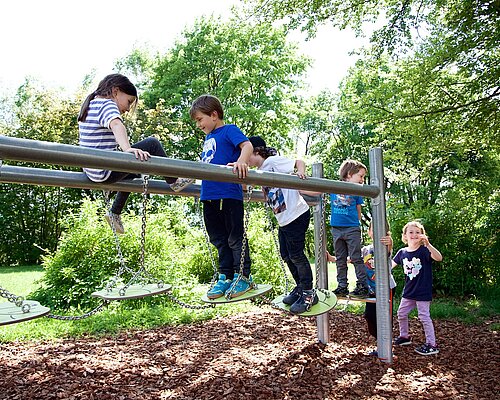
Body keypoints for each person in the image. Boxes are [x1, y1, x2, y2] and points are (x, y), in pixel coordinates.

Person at [78, 74, 193, 234]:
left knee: (135, 170)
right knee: (152, 143)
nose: (127, 108)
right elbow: (117, 124)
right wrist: (127, 150)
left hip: (93, 170)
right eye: (129, 102)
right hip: (104, 170)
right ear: (115, 91)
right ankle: (174, 181)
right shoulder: (107, 104)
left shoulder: (92, 105)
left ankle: (115, 213)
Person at [189, 94, 253, 299]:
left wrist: (242, 161)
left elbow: (248, 146)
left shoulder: (228, 130)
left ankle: (242, 275)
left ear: (214, 115)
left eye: (200, 119)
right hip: (209, 194)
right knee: (218, 238)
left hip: (228, 193)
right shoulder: (208, 138)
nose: (198, 124)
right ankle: (224, 276)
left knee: (235, 237)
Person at [247, 136, 318, 314]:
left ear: (257, 151)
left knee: (296, 254)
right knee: (286, 255)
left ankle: (309, 292)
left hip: (296, 214)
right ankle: (300, 287)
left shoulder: (271, 161)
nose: (246, 159)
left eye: (247, 154)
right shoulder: (261, 170)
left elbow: (298, 161)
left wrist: (301, 173)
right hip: (284, 220)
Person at [392, 220, 443, 355]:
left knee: (424, 317)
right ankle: (404, 337)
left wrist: (428, 244)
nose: (414, 235)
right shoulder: (402, 252)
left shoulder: (424, 250)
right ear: (405, 236)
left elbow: (439, 258)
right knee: (401, 313)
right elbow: (389, 265)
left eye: (417, 232)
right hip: (408, 291)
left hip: (422, 291)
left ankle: (432, 344)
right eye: (411, 232)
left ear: (422, 235)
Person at [330, 160, 370, 298]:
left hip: (352, 228)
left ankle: (362, 285)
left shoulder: (357, 191)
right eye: (360, 176)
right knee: (340, 259)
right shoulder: (335, 187)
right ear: (349, 174)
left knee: (355, 257)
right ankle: (342, 286)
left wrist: (354, 223)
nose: (362, 179)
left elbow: (358, 210)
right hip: (336, 228)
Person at [362, 221, 396, 355]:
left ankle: (386, 346)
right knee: (369, 316)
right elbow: (350, 259)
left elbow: (389, 247)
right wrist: (332, 258)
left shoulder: (383, 247)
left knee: (384, 317)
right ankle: (379, 340)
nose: (376, 232)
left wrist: (389, 241)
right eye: (373, 229)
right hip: (371, 289)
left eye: (380, 230)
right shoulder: (365, 250)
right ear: (369, 232)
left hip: (386, 288)